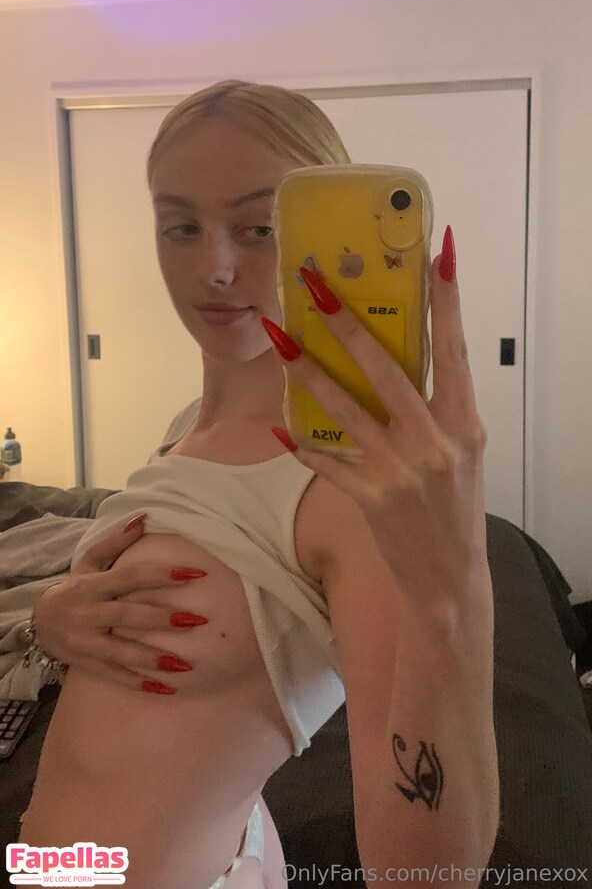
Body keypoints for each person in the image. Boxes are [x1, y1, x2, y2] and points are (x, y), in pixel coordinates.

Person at [17, 80, 499, 889]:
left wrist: (456, 586)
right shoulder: (185, 428)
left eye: (260, 228)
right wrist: (49, 620)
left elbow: (424, 877)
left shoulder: (346, 485)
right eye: (181, 226)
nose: (213, 267)